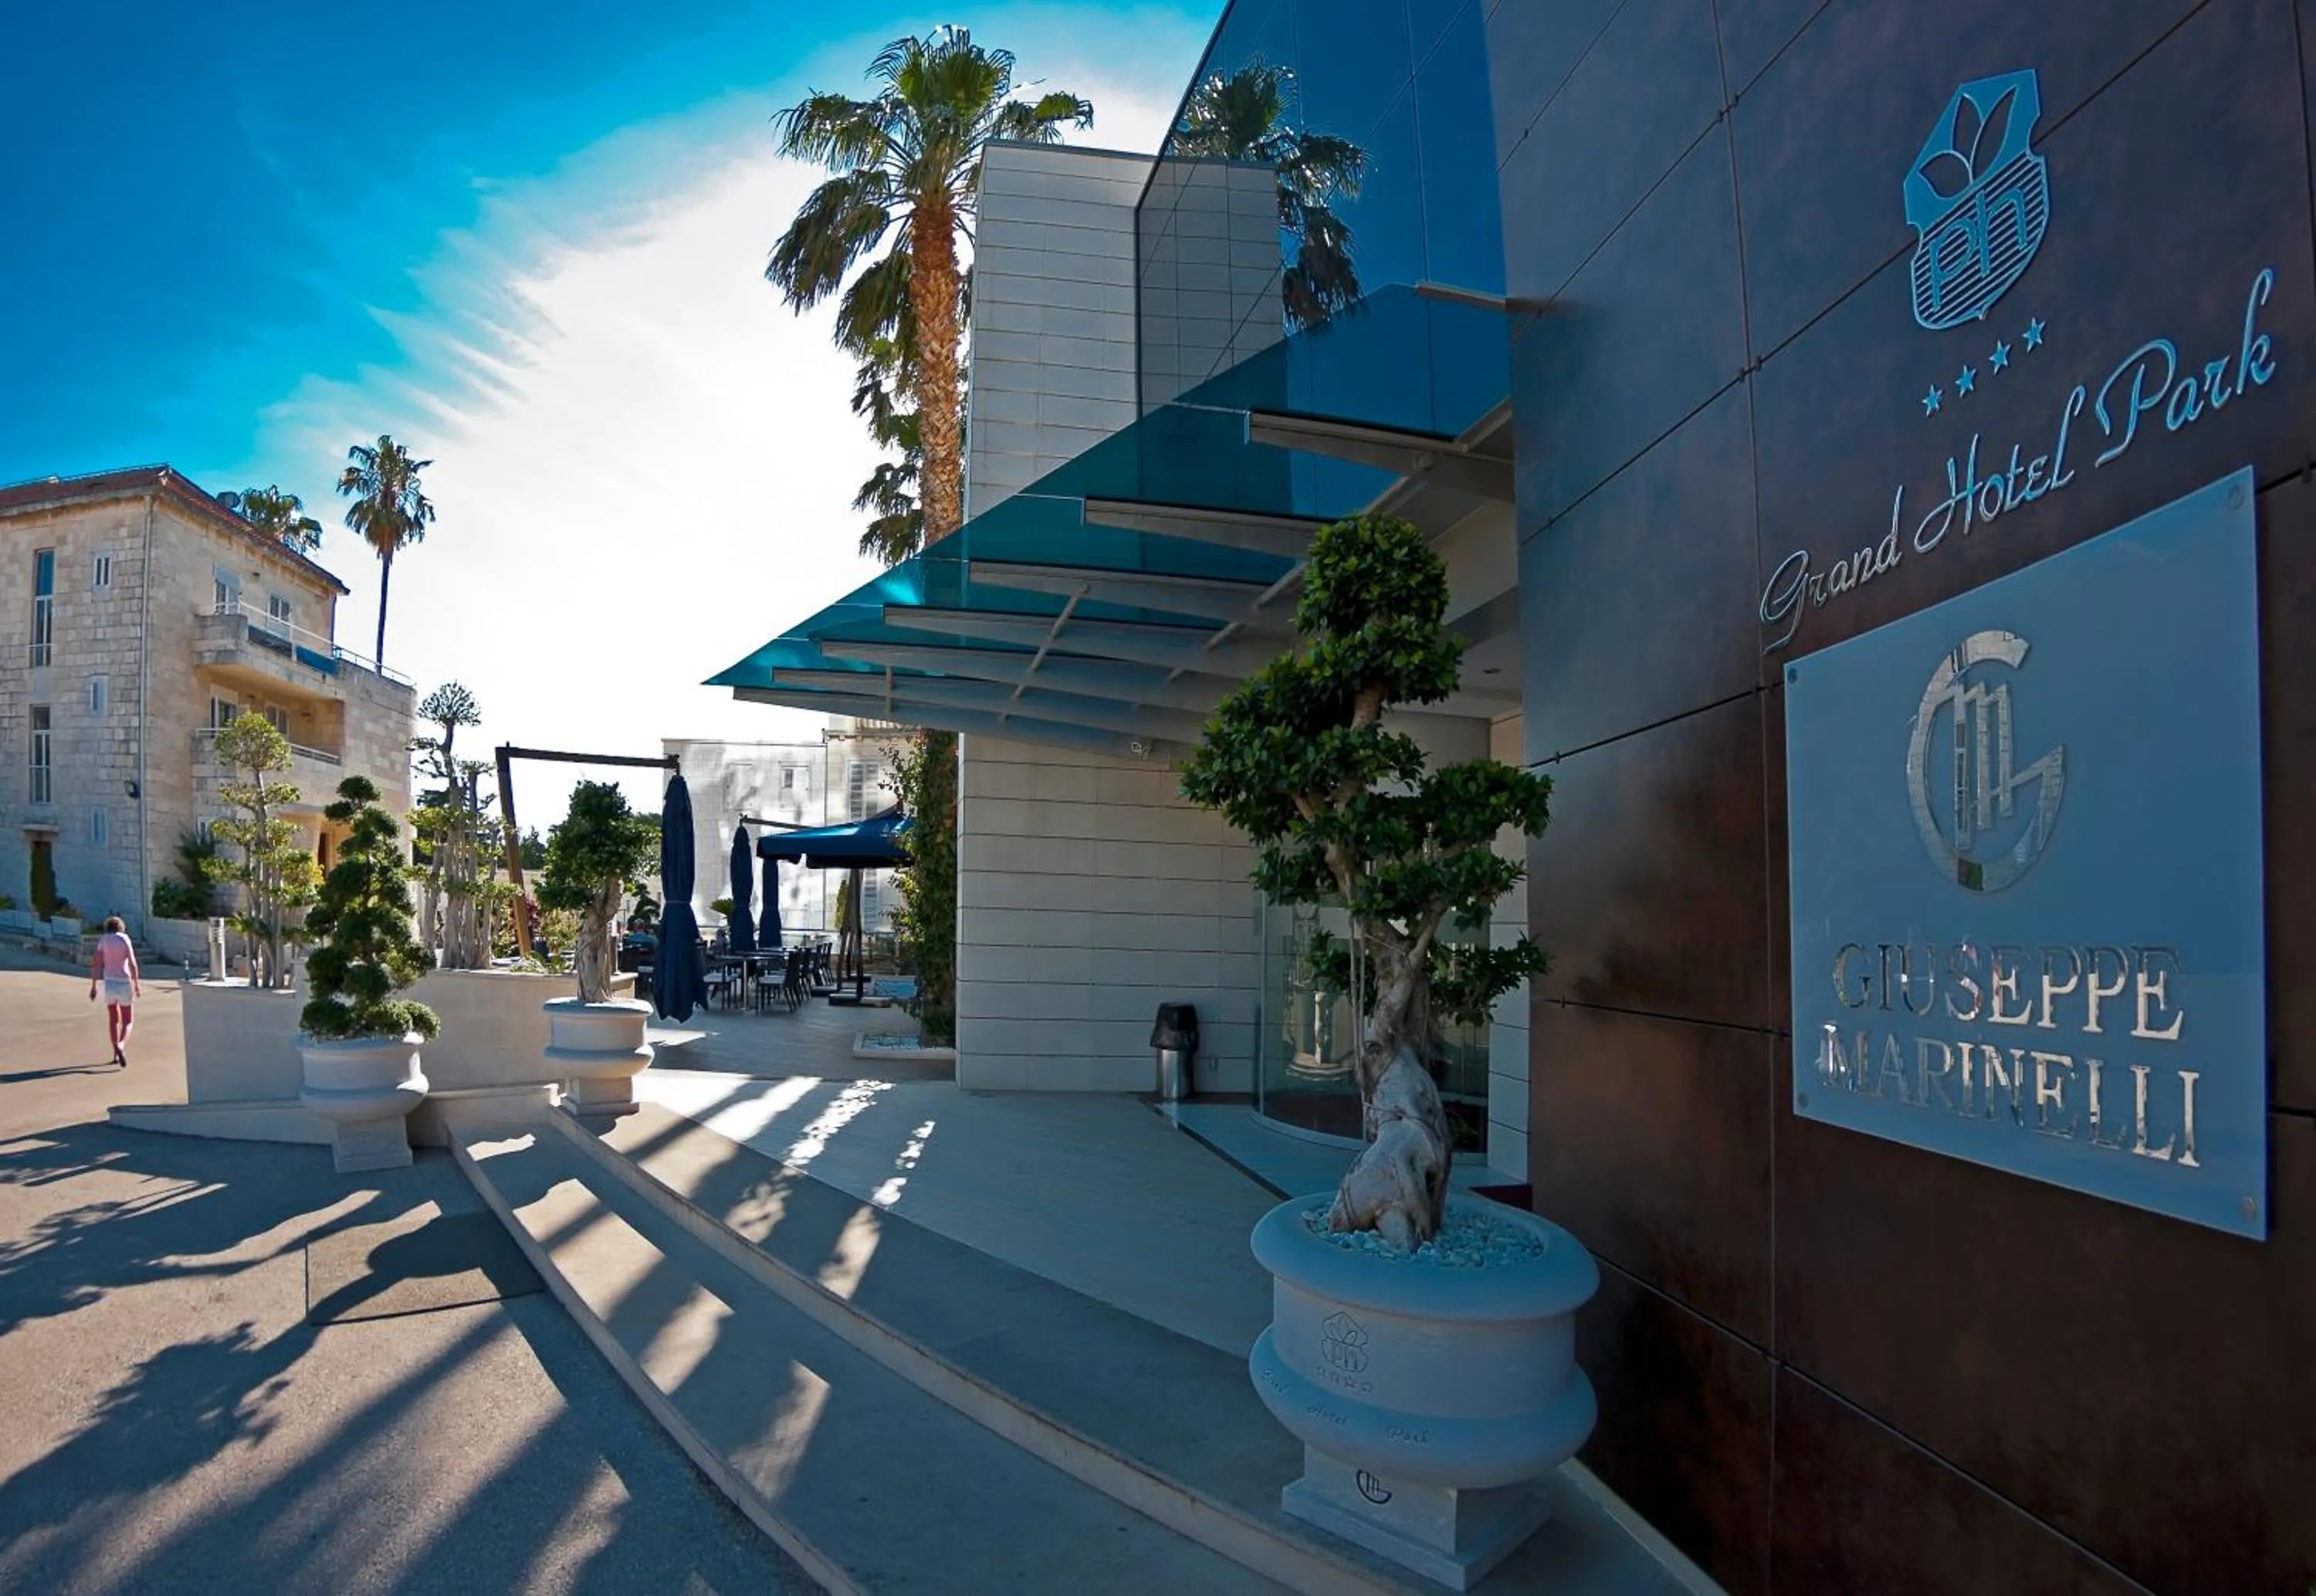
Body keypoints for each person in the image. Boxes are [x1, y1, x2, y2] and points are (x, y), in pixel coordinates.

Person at [88, 915, 143, 1067]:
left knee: (113, 1020)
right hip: (124, 982)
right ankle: (121, 1045)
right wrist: (136, 984)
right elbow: (132, 963)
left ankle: (115, 1054)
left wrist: (93, 986)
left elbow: (96, 963)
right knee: (128, 1021)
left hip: (109, 983)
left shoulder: (104, 940)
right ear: (121, 927)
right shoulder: (124, 939)